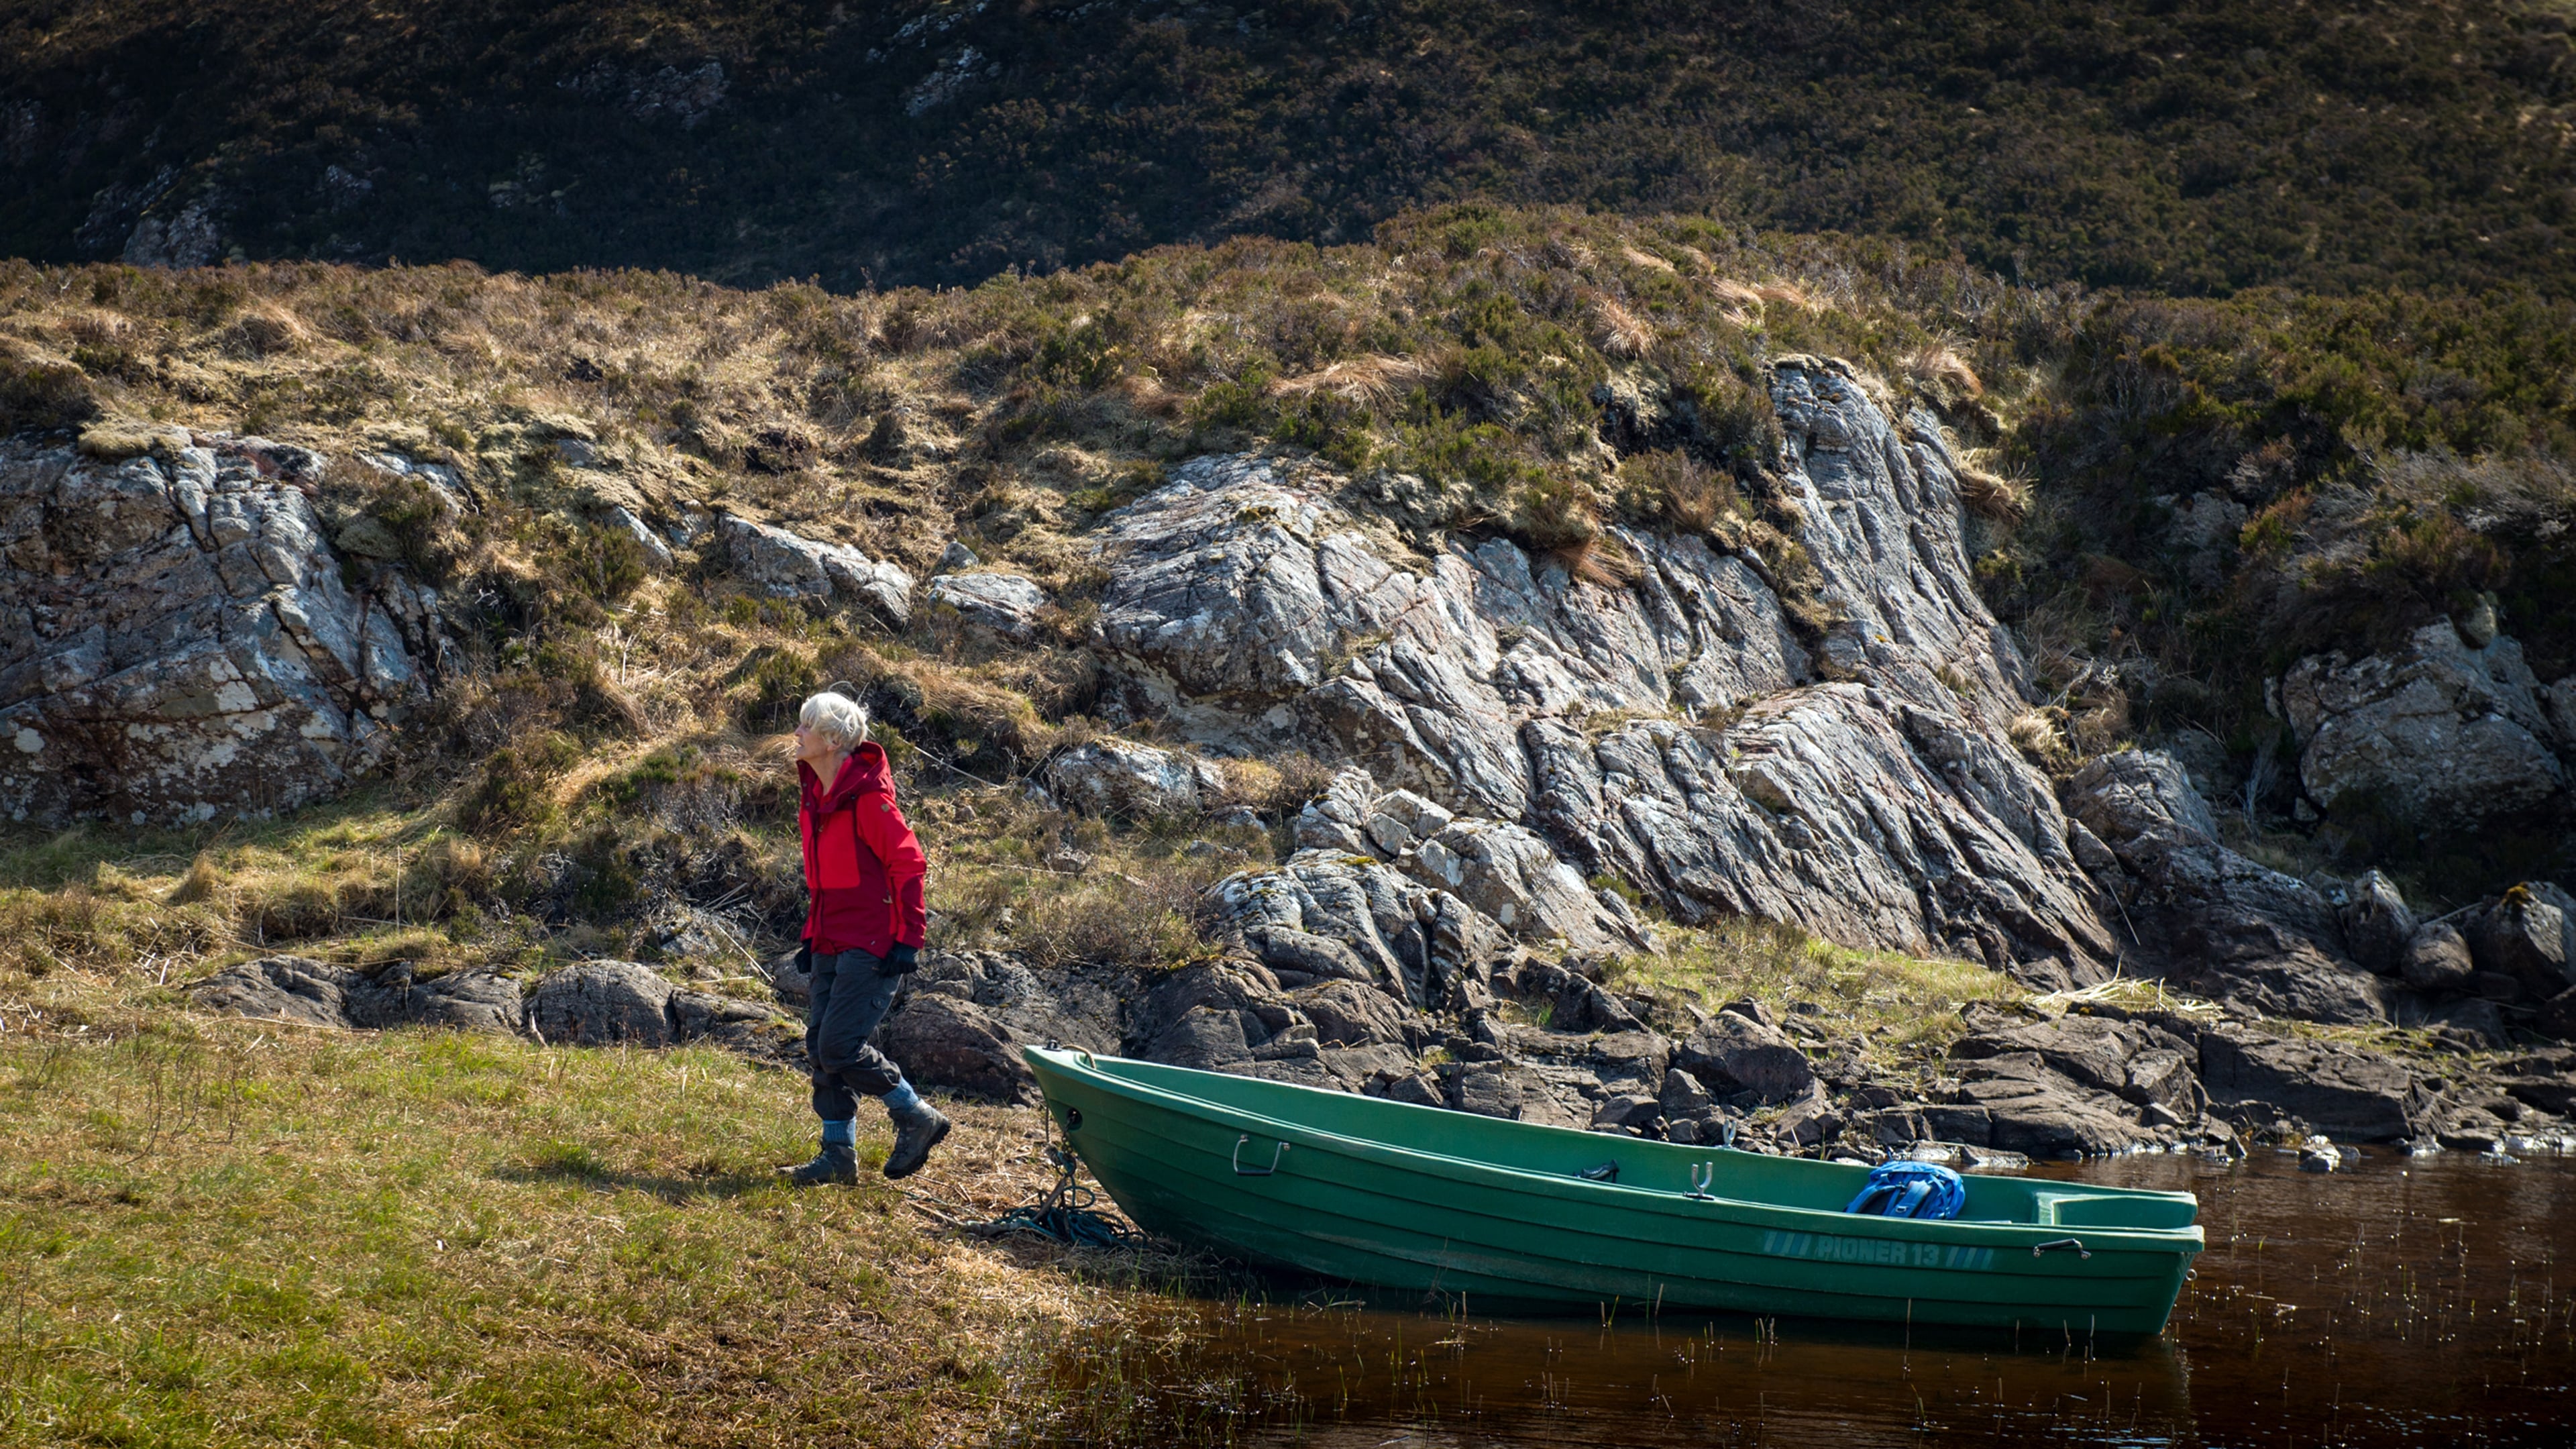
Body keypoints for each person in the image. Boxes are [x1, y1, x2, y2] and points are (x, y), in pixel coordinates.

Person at [779, 690, 950, 1185]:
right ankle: (838, 1156)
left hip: (873, 942)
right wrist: (813, 936)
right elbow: (823, 880)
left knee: (839, 1047)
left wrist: (909, 939)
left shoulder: (870, 801)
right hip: (831, 939)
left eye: (806, 727)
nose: (798, 734)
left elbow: (908, 864)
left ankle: (916, 1114)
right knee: (820, 1049)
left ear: (832, 741)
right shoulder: (816, 800)